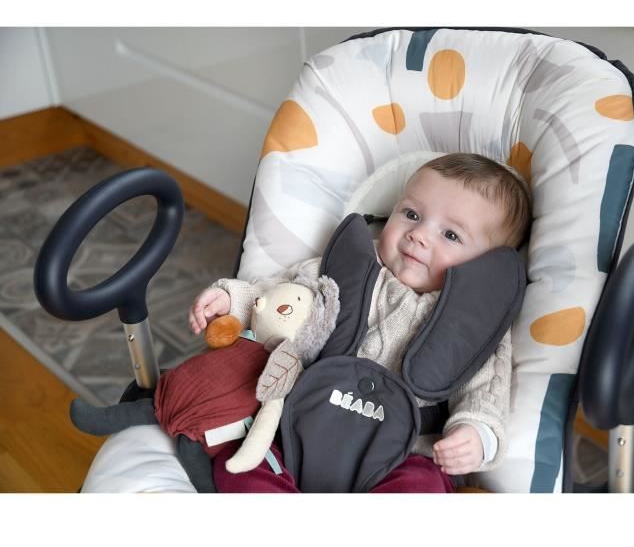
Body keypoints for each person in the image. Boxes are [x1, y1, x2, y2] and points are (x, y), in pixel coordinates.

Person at [188, 153, 532, 493]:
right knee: (239, 462)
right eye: (411, 214)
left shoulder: (474, 324)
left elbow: (485, 393)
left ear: (483, 267)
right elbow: (283, 297)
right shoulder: (352, 268)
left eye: (451, 235)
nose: (419, 235)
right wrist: (235, 300)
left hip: (400, 457)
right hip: (297, 427)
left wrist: (477, 436)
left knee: (424, 487)